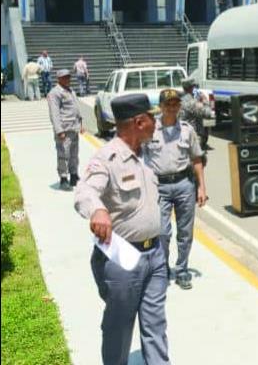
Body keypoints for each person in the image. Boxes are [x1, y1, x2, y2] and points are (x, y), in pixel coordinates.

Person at [73, 94, 170, 365]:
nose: (156, 123)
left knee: (156, 324)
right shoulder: (107, 159)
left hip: (156, 255)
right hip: (123, 260)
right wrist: (97, 210)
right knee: (119, 327)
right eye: (152, 118)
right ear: (139, 122)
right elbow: (84, 191)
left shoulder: (147, 154)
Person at [143, 89, 207, 290]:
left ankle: (182, 270)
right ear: (161, 106)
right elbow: (139, 158)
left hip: (184, 184)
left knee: (185, 232)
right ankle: (162, 270)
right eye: (168, 104)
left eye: (175, 104)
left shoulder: (187, 130)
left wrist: (201, 188)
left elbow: (197, 159)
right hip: (159, 186)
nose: (172, 108)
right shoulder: (150, 129)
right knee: (162, 232)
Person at [48, 69, 84, 190]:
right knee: (63, 155)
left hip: (74, 128)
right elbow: (54, 113)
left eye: (68, 77)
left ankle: (74, 175)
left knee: (74, 154)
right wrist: (59, 131)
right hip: (64, 130)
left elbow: (76, 108)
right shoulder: (55, 93)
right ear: (59, 79)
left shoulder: (70, 90)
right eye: (64, 77)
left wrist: (81, 124)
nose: (68, 79)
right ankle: (63, 178)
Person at [179, 78, 214, 150]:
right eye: (195, 87)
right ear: (191, 88)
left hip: (180, 134)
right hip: (192, 136)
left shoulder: (179, 99)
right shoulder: (192, 102)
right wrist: (205, 101)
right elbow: (208, 113)